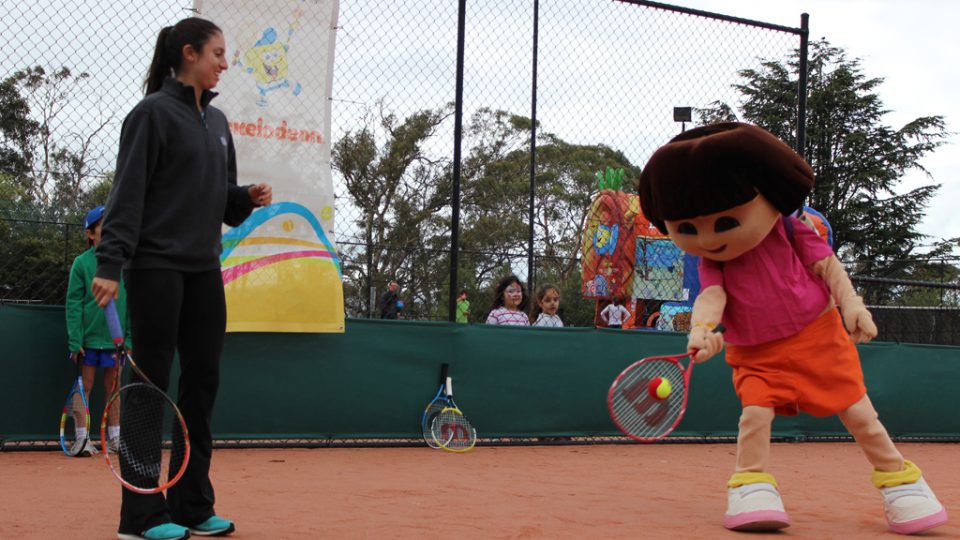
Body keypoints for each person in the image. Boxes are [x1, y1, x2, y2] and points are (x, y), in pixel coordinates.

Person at [637, 122, 947, 534]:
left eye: (724, 223)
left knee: (859, 412)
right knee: (755, 416)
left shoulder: (788, 229)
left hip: (818, 337)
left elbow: (827, 266)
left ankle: (902, 483)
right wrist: (703, 331)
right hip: (755, 353)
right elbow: (712, 297)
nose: (707, 239)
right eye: (688, 230)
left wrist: (852, 303)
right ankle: (751, 485)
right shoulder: (713, 261)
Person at [91, 17, 273, 540]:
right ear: (189, 54)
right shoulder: (150, 115)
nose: (225, 63)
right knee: (149, 385)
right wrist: (110, 263)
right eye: (218, 53)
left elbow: (222, 204)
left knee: (202, 383)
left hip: (203, 269)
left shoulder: (217, 123)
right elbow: (128, 193)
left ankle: (191, 504)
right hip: (155, 267)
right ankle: (140, 515)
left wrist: (244, 198)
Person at [65, 205, 131, 457]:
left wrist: (129, 338)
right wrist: (75, 340)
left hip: (116, 340)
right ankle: (81, 439)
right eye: (105, 225)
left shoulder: (124, 263)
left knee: (113, 386)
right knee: (85, 386)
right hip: (88, 341)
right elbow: (73, 303)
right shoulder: (81, 263)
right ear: (90, 234)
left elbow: (132, 303)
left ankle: (114, 438)